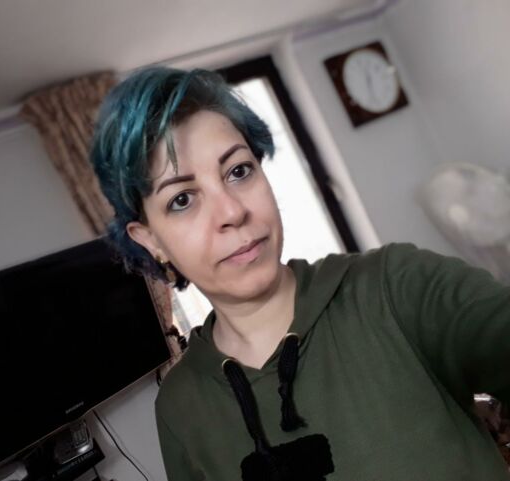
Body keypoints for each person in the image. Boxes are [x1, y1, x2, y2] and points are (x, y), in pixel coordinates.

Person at [90, 66, 510, 480]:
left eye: (238, 171)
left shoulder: (394, 285)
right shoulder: (180, 408)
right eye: (182, 199)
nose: (232, 211)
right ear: (151, 240)